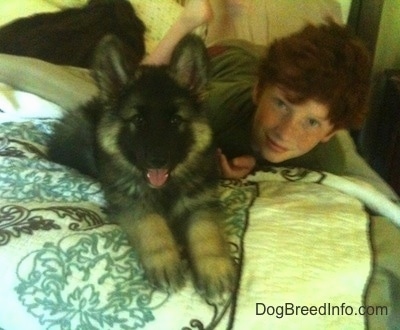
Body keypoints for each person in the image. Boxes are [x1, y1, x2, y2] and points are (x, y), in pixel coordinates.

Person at [0, 0, 396, 199]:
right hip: (225, 57)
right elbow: (143, 98)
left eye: (311, 123)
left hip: (274, 68)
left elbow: (377, 194)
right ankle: (191, 19)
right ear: (260, 93)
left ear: (330, 132)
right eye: (281, 106)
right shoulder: (218, 107)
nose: (285, 130)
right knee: (136, 86)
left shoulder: (333, 153)